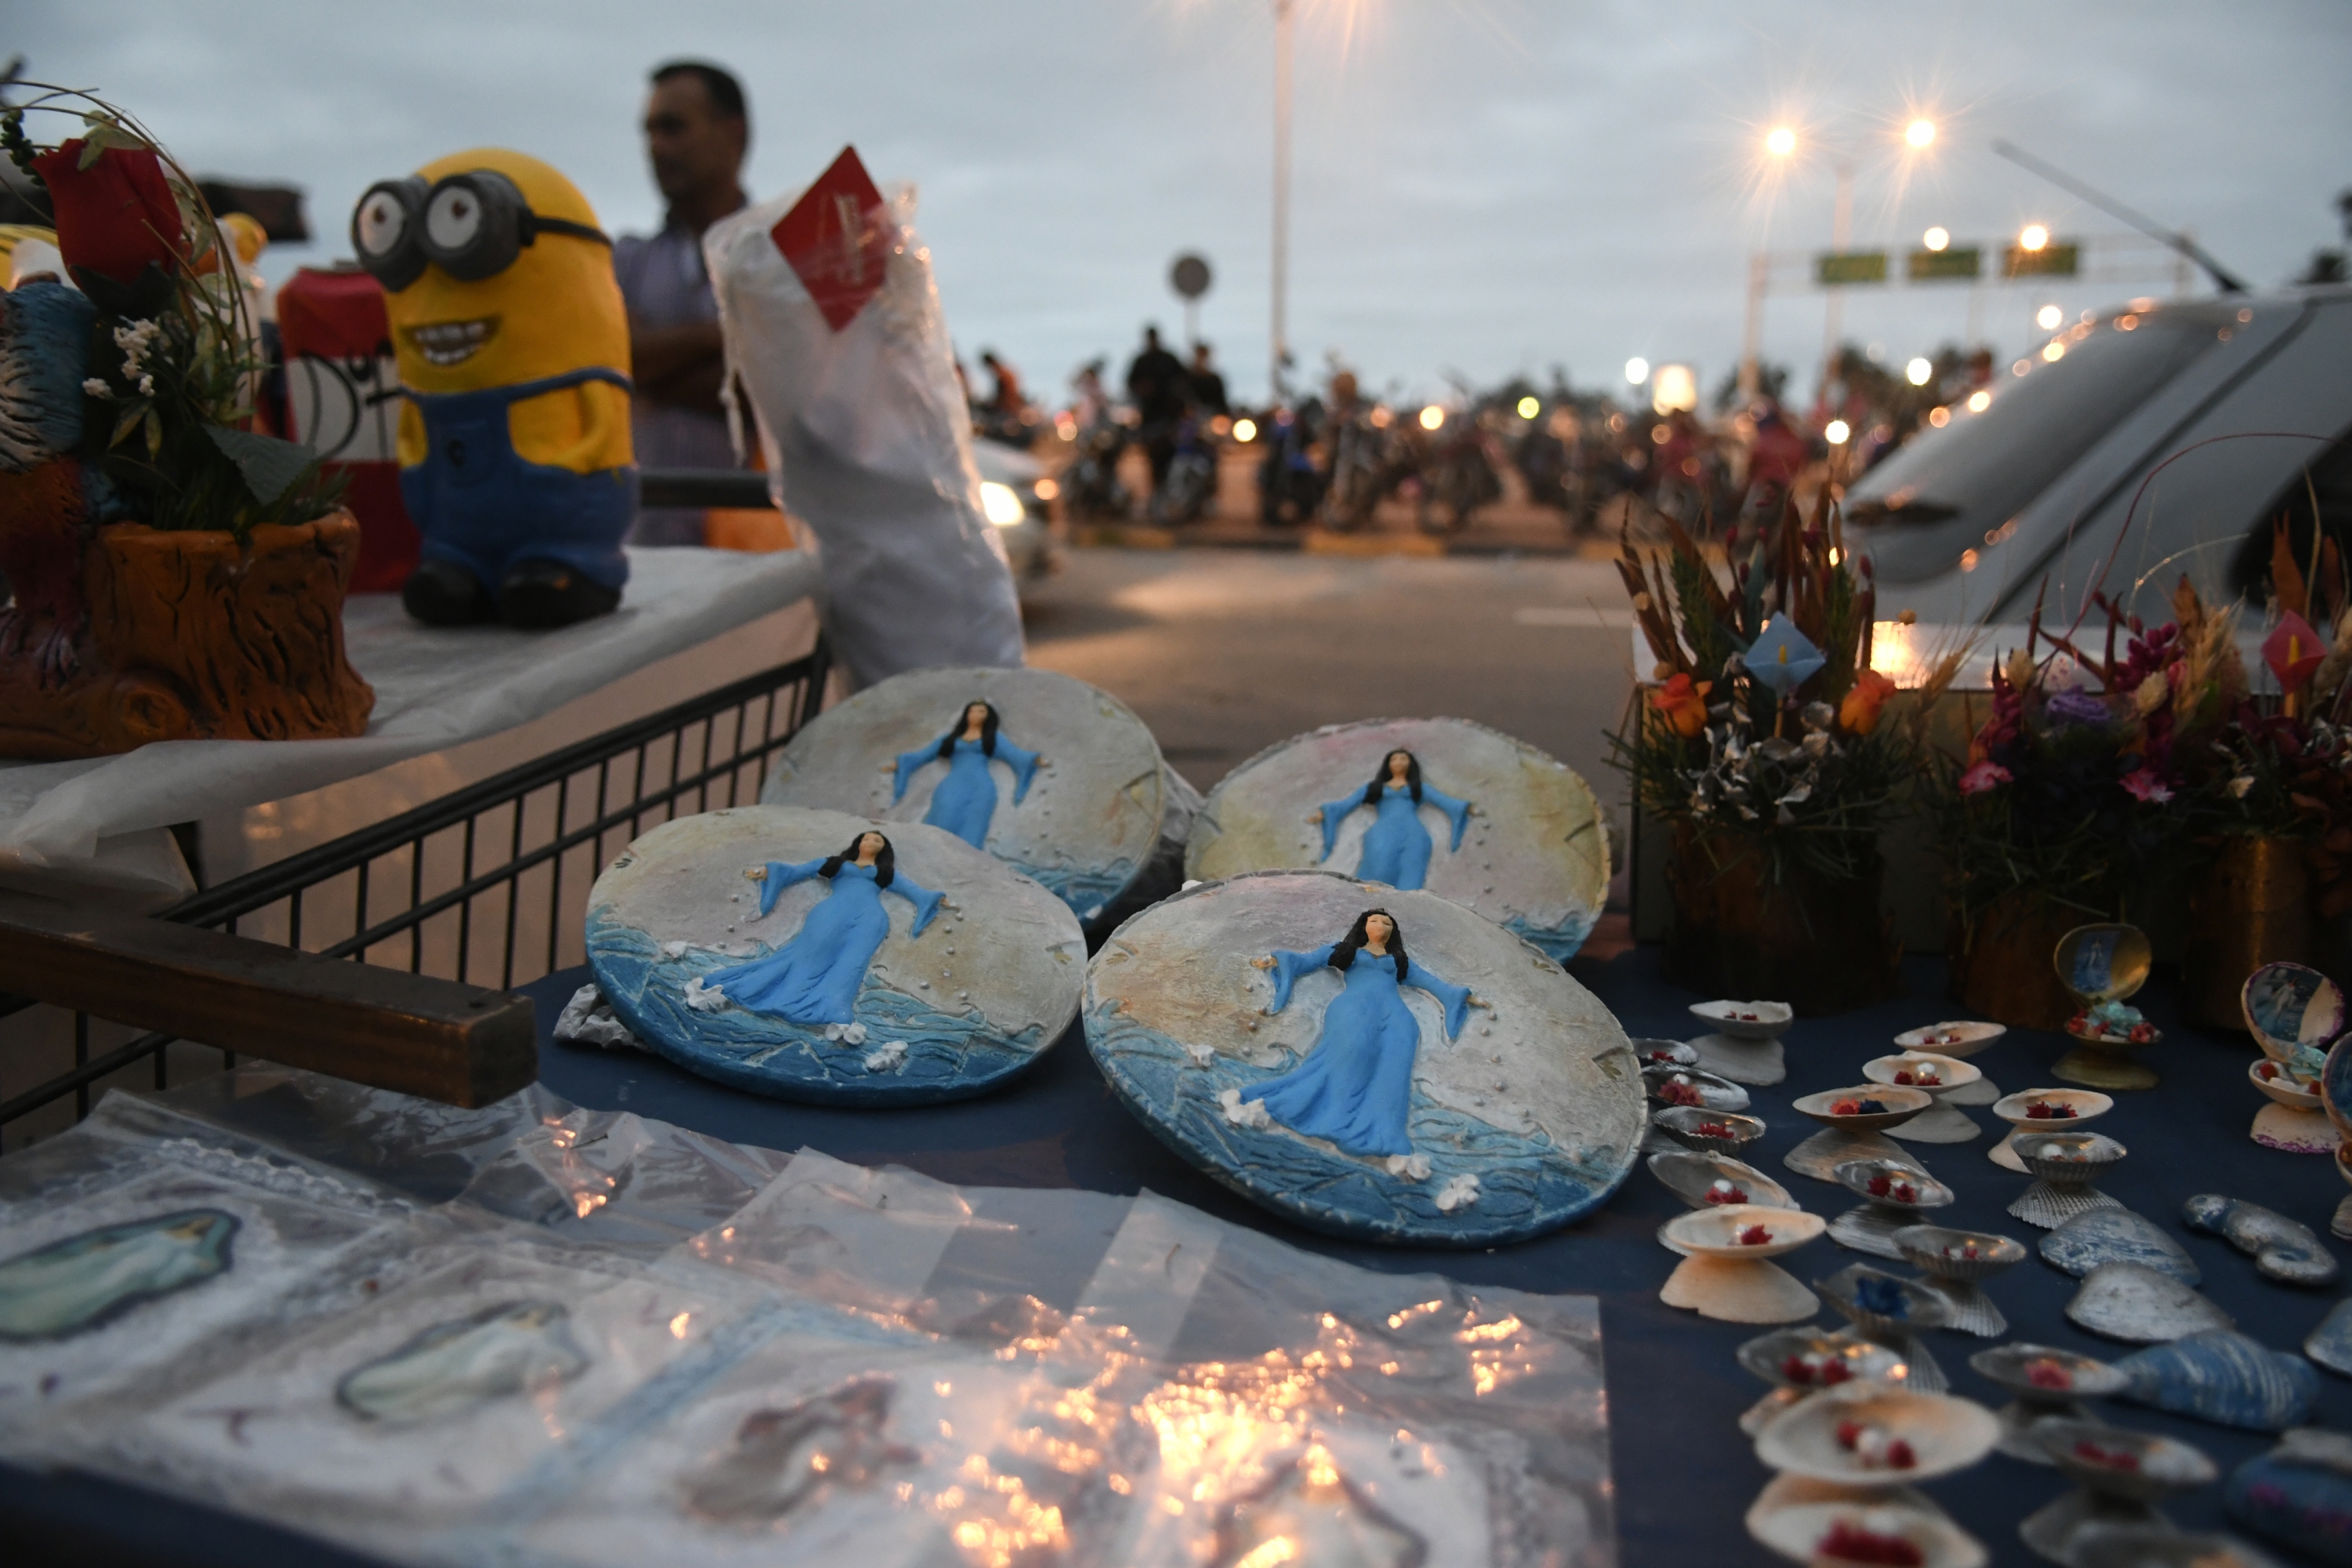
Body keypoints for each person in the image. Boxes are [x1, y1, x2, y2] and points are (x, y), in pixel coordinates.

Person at [612, 60, 751, 546]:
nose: (655, 146)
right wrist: (723, 335)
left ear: (732, 134)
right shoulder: (627, 260)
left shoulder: (776, 258)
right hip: (643, 551)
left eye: (672, 127)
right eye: (649, 131)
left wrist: (653, 369)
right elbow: (612, 363)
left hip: (760, 558)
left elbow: (782, 394)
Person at [1240, 910, 1475, 1159]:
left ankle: (1384, 1134)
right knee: (1349, 1058)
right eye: (1374, 920)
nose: (1381, 925)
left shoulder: (1399, 961)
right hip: (1354, 1011)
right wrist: (1279, 961)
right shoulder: (1347, 951)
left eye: (1387, 922)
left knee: (1392, 1070)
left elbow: (1433, 984)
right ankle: (1329, 1117)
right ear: (1363, 926)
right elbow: (1307, 961)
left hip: (1396, 1019)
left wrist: (1463, 996)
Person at [704, 832, 946, 1028]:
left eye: (878, 841)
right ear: (859, 842)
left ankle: (833, 1007)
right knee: (808, 954)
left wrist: (935, 899)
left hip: (869, 921)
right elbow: (798, 871)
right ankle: (783, 997)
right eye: (868, 838)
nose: (871, 842)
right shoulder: (836, 864)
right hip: (831, 914)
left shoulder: (885, 873)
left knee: (851, 965)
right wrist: (768, 871)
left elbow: (915, 892)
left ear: (884, 848)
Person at [889, 699, 1044, 849]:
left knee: (972, 830)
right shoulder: (950, 739)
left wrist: (1034, 760)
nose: (976, 714)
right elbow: (922, 755)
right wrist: (900, 764)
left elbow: (1014, 754)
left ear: (988, 716)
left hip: (980, 788)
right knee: (943, 818)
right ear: (966, 714)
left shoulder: (993, 738)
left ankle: (965, 867)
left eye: (981, 711)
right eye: (972, 711)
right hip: (953, 785)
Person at [1312, 749, 1472, 890]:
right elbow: (1346, 804)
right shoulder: (1375, 788)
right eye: (1394, 759)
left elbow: (1445, 802)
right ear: (1387, 764)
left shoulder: (1418, 788)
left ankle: (1408, 911)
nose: (1399, 762)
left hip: (1413, 835)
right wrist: (1325, 813)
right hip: (1383, 834)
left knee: (1411, 875)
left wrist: (1466, 808)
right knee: (1378, 868)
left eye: (1403, 758)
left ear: (1411, 763)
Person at [1123, 325, 1189, 489]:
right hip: (1150, 419)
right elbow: (1131, 384)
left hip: (1170, 418)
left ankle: (1170, 489)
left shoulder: (1168, 359)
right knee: (1154, 459)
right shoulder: (1142, 362)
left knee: (1172, 457)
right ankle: (1158, 491)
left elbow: (1184, 382)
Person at [1188, 342, 1229, 417]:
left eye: (1204, 356)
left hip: (1211, 418)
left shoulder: (1214, 380)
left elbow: (1221, 404)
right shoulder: (1185, 378)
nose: (1202, 359)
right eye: (1200, 355)